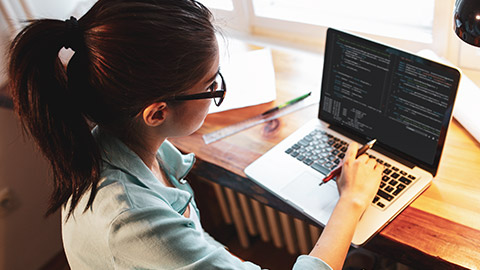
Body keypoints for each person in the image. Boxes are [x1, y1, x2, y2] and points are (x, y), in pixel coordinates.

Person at [8, 0, 383, 269]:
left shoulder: (123, 147)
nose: (219, 93)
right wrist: (350, 200)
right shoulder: (131, 222)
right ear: (156, 112)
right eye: (211, 85)